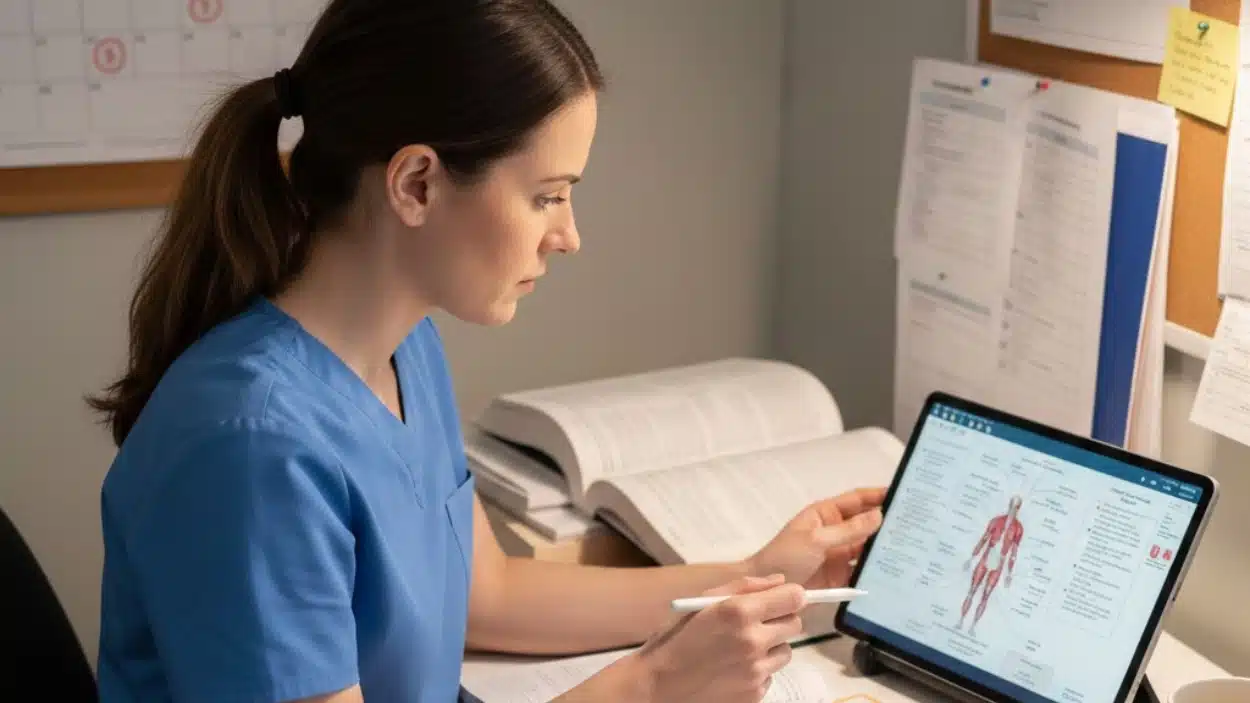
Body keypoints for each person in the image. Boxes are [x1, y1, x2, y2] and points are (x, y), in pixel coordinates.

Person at [87, 1, 885, 701]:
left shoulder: (405, 350)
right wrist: (654, 685)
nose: (569, 235)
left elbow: (487, 595)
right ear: (417, 184)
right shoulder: (253, 448)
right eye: (548, 195)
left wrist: (757, 577)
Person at [958, 494, 1024, 637]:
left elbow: (1013, 552)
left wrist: (1009, 574)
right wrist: (971, 558)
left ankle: (973, 626)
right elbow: (984, 539)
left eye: (1016, 507)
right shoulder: (996, 521)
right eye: (1012, 505)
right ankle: (961, 620)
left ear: (1019, 508)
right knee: (972, 589)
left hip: (999, 562)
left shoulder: (1018, 528)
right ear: (1009, 505)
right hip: (987, 556)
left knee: (986, 595)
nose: (1013, 509)